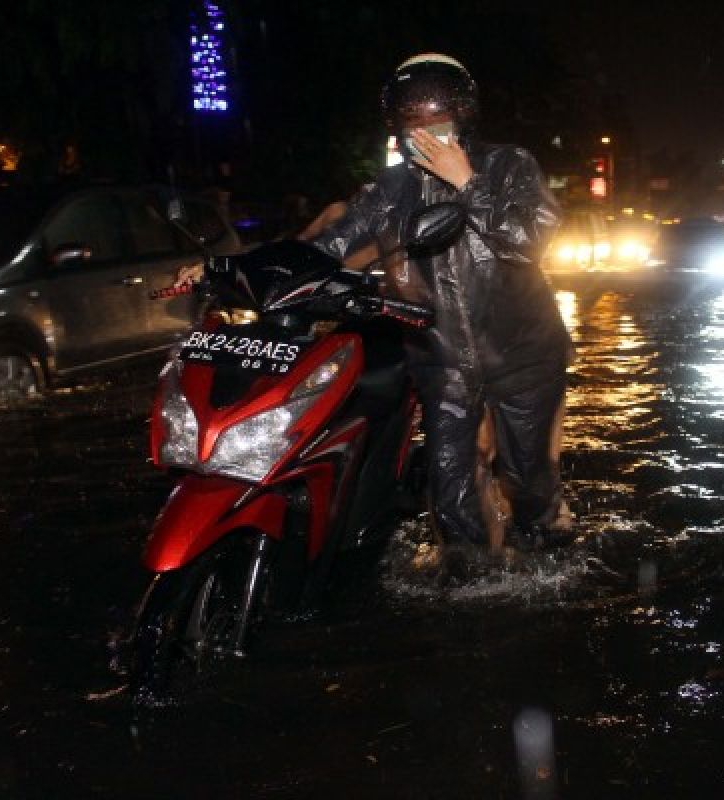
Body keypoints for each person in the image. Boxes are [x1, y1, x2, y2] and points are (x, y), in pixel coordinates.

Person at [179, 53, 572, 556]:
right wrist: (228, 268)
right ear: (397, 125)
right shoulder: (392, 189)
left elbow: (529, 240)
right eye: (413, 120)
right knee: (450, 498)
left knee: (529, 481)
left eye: (438, 117)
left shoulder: (509, 165)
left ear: (464, 113)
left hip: (524, 358)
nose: (426, 130)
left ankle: (548, 562)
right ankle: (476, 590)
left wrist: (467, 182)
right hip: (442, 362)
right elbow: (325, 248)